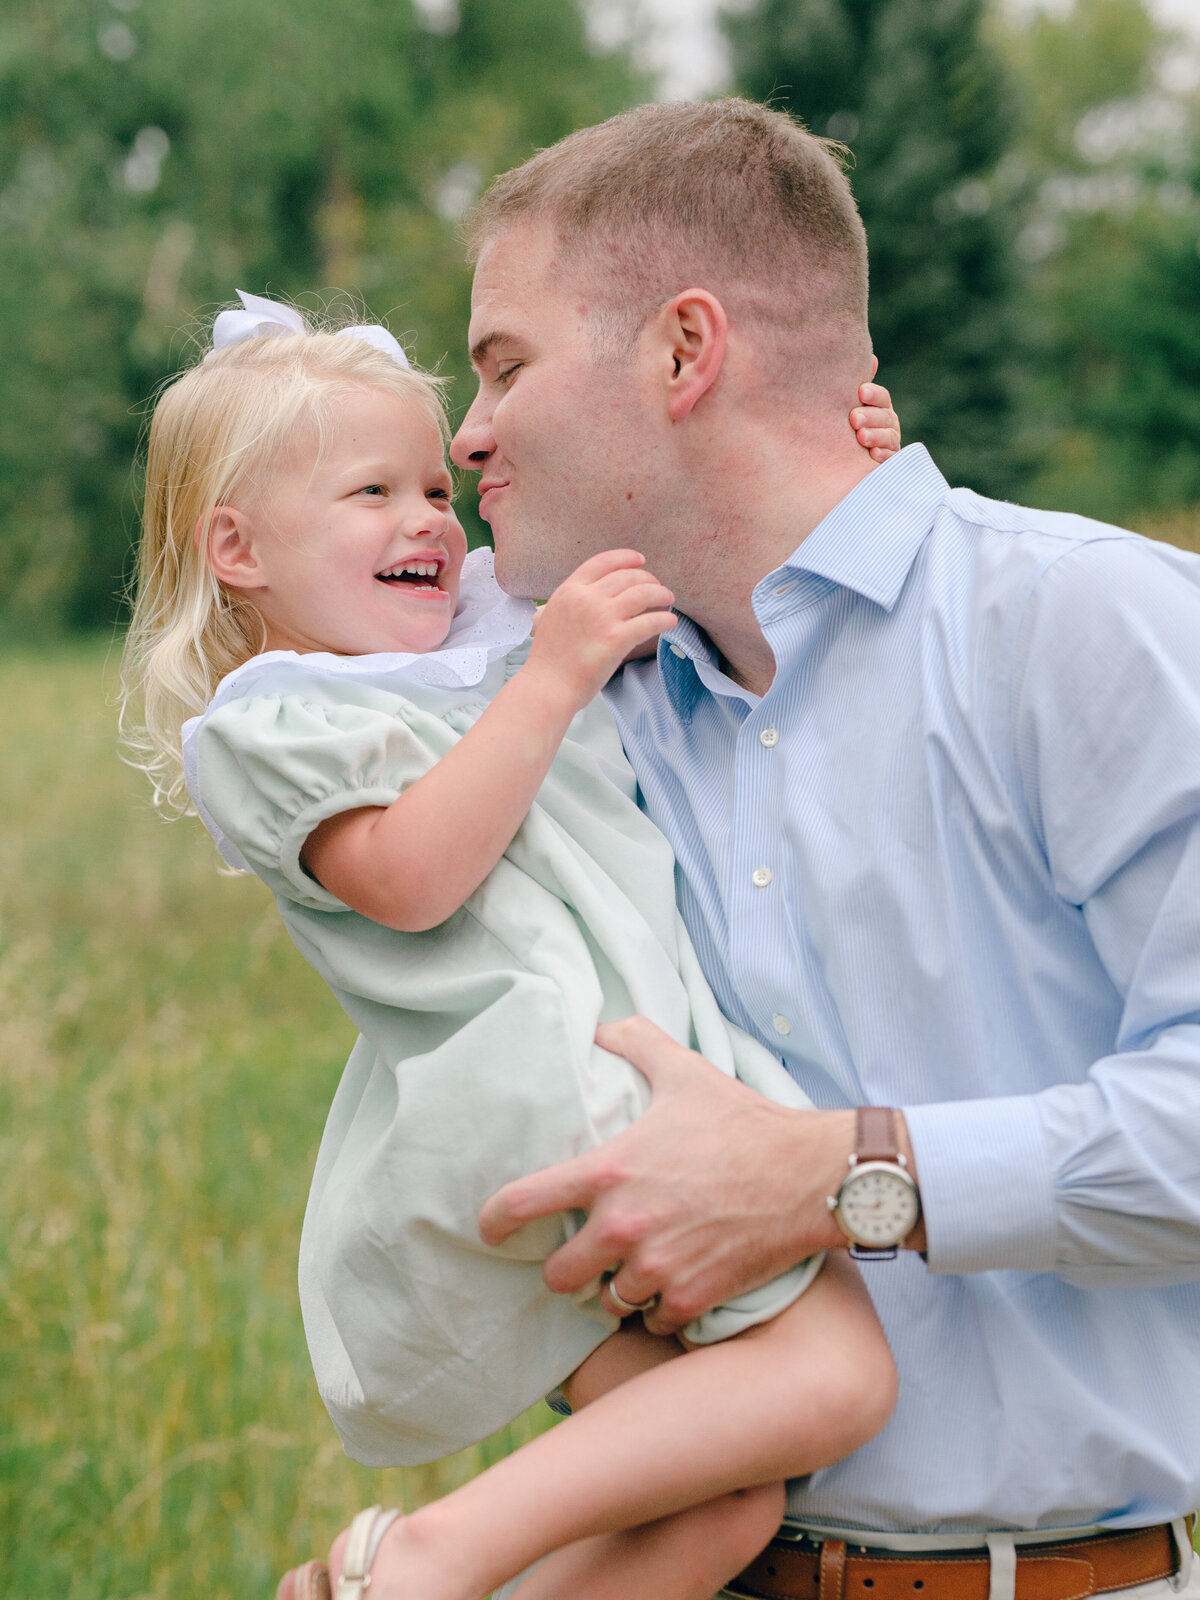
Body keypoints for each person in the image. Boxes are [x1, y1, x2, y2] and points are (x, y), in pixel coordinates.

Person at [316, 97, 1200, 1598]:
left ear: (683, 351)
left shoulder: (1091, 628)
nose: (465, 437)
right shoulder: (563, 705)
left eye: (505, 365)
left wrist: (840, 1177)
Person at [119, 292, 906, 1600]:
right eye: (371, 491)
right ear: (239, 550)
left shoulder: (473, 624)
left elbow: (685, 529)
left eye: (434, 484)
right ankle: (433, 1549)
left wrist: (837, 459)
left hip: (588, 1087)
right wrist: (547, 681)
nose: (429, 518)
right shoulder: (275, 725)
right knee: (834, 1372)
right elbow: (412, 878)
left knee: (720, 1508)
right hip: (557, 1096)